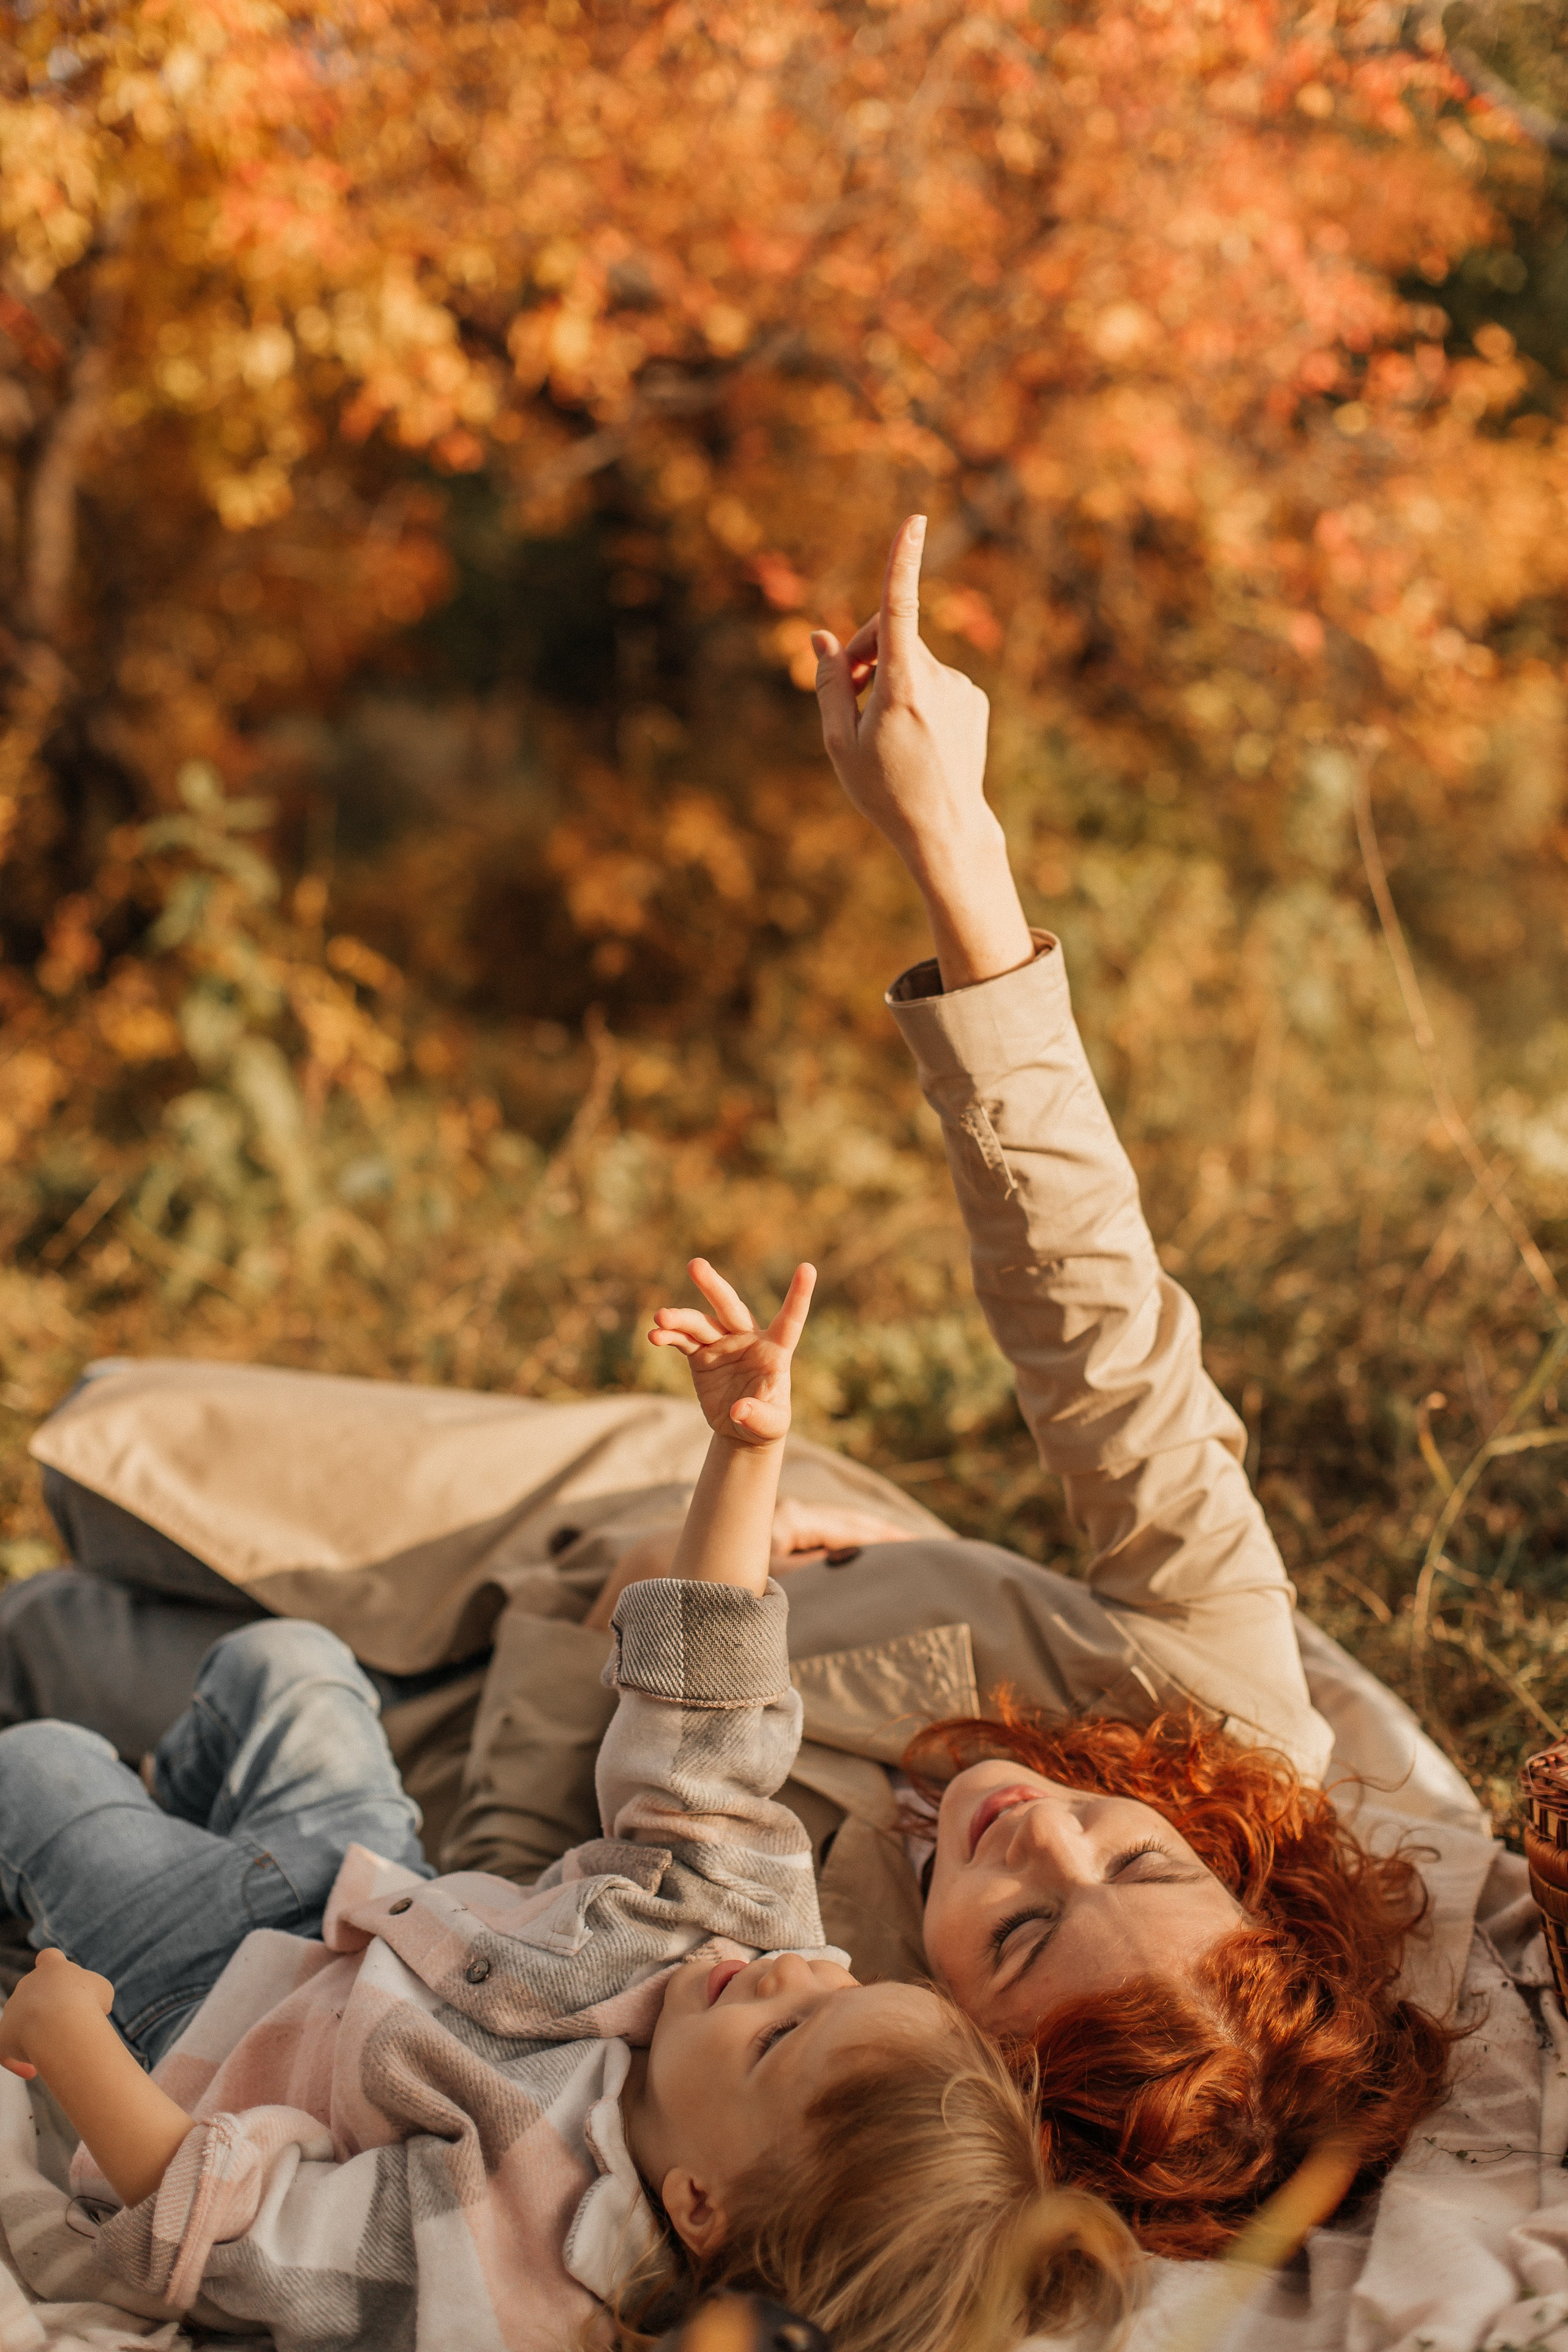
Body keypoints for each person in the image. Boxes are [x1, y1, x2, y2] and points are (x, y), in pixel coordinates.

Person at [14, 519, 1488, 2253]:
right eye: (1141, 1862)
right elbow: (1100, 1338)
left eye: (1018, 1934)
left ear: (984, 2068)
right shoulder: (1219, 1714)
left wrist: (623, 1623)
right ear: (1232, 1866)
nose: (1044, 1839)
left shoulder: (827, 2034)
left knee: (53, 1654)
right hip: (540, 1512)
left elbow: (501, 1896)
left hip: (426, 1750)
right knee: (107, 1453)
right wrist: (957, 850)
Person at [0, 1257, 1125, 2352]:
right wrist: (744, 1452)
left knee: (39, 1771)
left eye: (783, 2035)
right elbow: (708, 1709)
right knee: (290, 1664)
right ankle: (148, 1828)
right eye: (848, 1984)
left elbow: (227, 2231)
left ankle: (90, 1896)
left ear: (696, 2206)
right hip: (368, 1888)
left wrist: (74, 2038)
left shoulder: (496, 2256)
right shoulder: (733, 1938)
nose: (800, 1970)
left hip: (208, 2002)